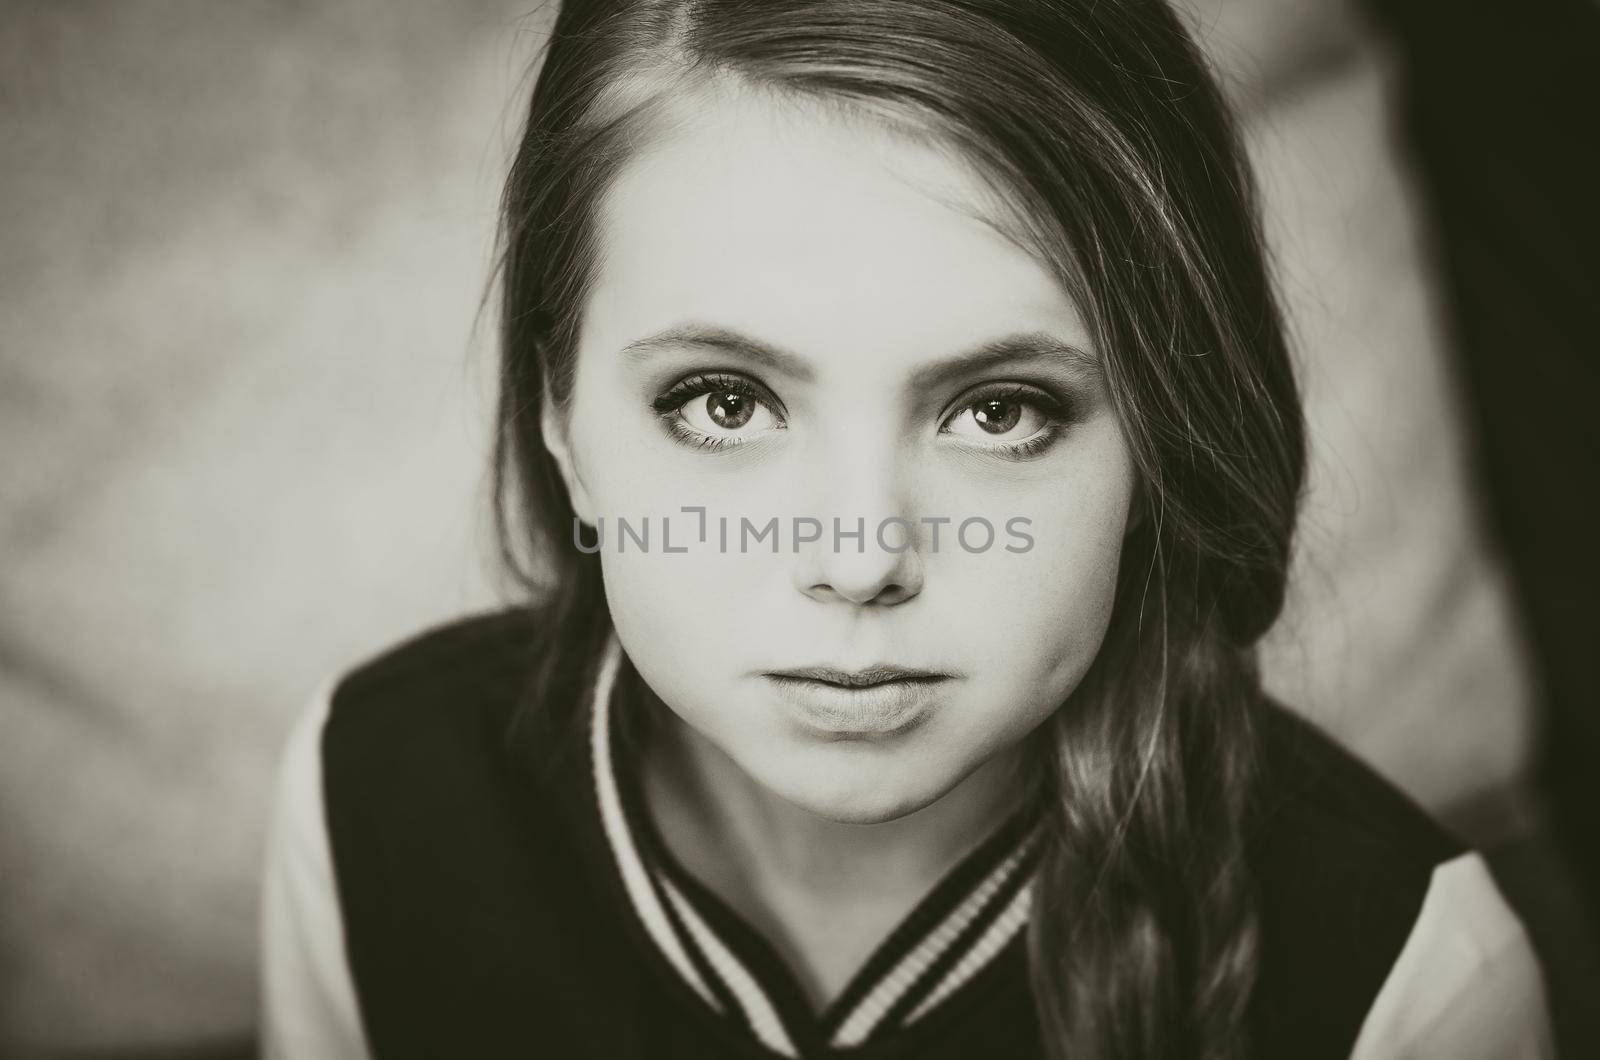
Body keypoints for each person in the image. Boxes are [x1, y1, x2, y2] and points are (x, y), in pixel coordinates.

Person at [259, 1, 1555, 1056]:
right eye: (723, 402)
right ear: (561, 419)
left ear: (1157, 441)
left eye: (1001, 412)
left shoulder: (1409, 975)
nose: (861, 558)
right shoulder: (374, 796)